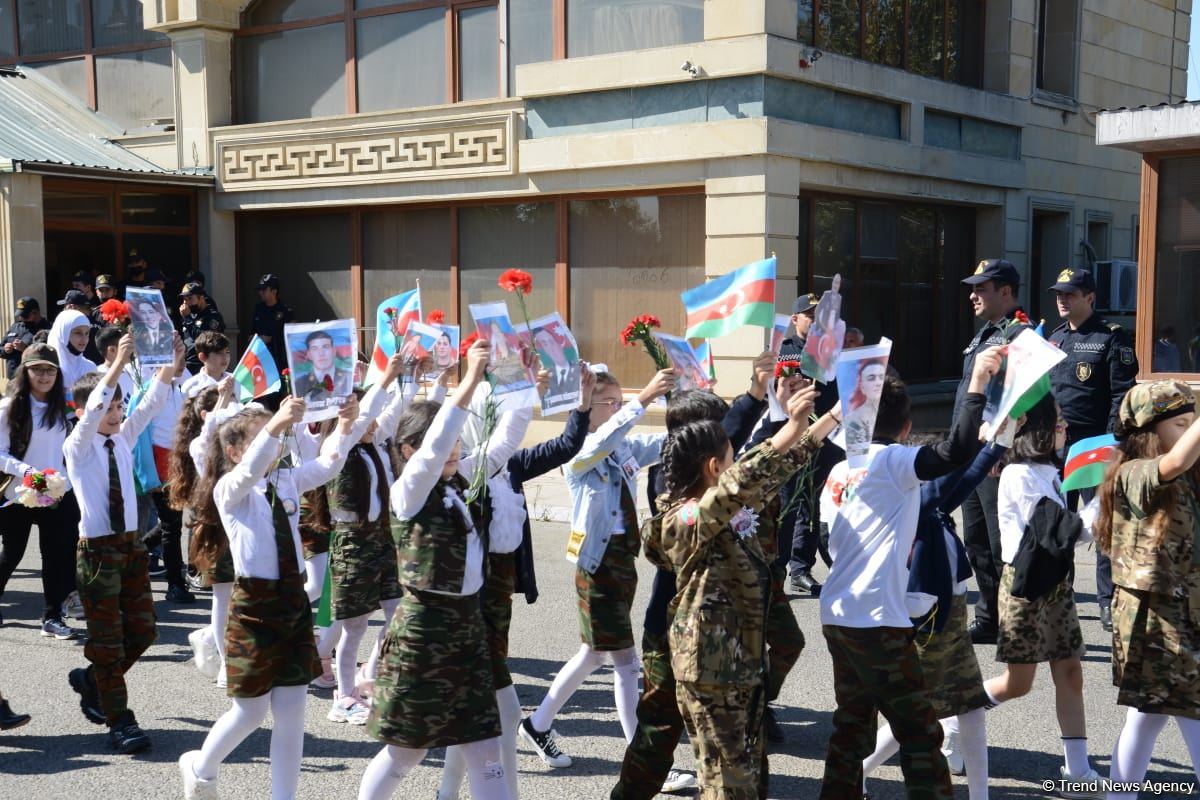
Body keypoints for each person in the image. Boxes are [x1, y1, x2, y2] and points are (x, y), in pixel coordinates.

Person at [817, 346, 1001, 799]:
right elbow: (955, 452)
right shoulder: (891, 463)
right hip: (878, 620)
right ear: (905, 427)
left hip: (838, 615)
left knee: (851, 725)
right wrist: (977, 380)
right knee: (920, 734)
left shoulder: (840, 469)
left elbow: (826, 541)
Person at [643, 381, 832, 799]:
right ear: (714, 466)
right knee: (728, 784)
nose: (737, 460)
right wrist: (790, 426)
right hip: (709, 670)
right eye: (731, 455)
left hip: (741, 664)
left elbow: (778, 469)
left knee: (746, 776)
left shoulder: (722, 506)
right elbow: (741, 482)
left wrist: (834, 418)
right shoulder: (683, 518)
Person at [178, 394, 360, 800]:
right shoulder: (231, 489)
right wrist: (277, 424)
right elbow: (249, 471)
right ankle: (200, 768)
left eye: (275, 437)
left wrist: (346, 426)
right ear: (233, 450)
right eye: (262, 438)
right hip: (254, 608)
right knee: (250, 711)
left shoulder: (286, 479)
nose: (274, 445)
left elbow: (329, 464)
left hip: (292, 602)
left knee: (292, 715)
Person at [357, 340, 516, 800]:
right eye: (442, 443)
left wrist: (523, 389)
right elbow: (434, 450)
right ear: (407, 448)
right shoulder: (409, 491)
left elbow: (503, 444)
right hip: (424, 633)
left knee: (486, 748)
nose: (453, 449)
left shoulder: (456, 479)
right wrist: (465, 383)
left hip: (466, 629)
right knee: (407, 752)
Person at [440, 367, 596, 800]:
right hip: (474, 602)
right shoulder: (460, 480)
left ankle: (450, 789)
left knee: (479, 706)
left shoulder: (511, 465)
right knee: (496, 708)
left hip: (498, 598)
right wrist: (525, 398)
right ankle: (491, 789)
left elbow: (565, 446)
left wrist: (581, 407)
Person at [519, 367, 676, 768]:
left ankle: (538, 723)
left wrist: (696, 420)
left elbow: (662, 444)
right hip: (598, 565)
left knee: (593, 654)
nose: (618, 409)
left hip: (622, 562)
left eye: (621, 402)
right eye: (612, 403)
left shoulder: (620, 446)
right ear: (589, 408)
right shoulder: (581, 451)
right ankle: (640, 755)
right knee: (625, 661)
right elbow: (605, 439)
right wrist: (643, 402)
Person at [859, 442, 1004, 798]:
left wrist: (996, 445)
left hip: (950, 617)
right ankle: (855, 772)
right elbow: (950, 480)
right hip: (928, 622)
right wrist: (986, 443)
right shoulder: (912, 504)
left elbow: (964, 480)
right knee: (915, 712)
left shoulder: (929, 504)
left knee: (969, 705)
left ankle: (980, 794)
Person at [64, 332, 178, 754]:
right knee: (109, 644)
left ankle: (93, 680)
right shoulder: (78, 446)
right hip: (97, 553)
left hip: (130, 549)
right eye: (108, 407)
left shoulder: (123, 438)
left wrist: (169, 366)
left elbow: (149, 404)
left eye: (117, 406)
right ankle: (119, 720)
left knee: (145, 631)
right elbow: (93, 407)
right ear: (82, 412)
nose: (114, 413)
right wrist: (114, 367)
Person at [983, 396, 1101, 793]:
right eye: (1060, 423)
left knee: (1070, 672)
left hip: (1055, 584)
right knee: (1018, 684)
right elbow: (1061, 530)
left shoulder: (1048, 469)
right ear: (1039, 429)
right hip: (1025, 589)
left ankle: (1077, 770)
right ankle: (953, 717)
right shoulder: (1018, 474)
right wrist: (1106, 497)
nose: (1065, 430)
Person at [1094, 381, 1200, 798]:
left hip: (1181, 612)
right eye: (1181, 422)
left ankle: (1120, 794)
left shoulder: (1190, 477)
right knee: (1190, 711)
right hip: (1154, 618)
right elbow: (1172, 462)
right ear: (1149, 431)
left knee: (1148, 716)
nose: (1190, 428)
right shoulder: (1132, 473)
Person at [317, 355, 410, 725]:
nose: (373, 423)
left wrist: (406, 379)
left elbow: (392, 411)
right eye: (362, 417)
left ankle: (369, 675)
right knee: (354, 625)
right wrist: (386, 377)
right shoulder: (335, 449)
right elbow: (360, 421)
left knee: (398, 614)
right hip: (353, 542)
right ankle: (344, 696)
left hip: (381, 539)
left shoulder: (374, 444)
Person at [1047, 267, 1138, 633]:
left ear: (1090, 297)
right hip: (1054, 446)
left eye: (1070, 293)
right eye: (1059, 293)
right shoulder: (1053, 338)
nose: (1062, 299)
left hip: (1093, 445)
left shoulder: (1111, 338)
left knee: (1101, 527)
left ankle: (1105, 601)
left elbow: (1122, 396)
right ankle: (1059, 591)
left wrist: (1113, 443)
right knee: (1056, 523)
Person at [957, 258, 1031, 644]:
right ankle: (989, 617)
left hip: (996, 456)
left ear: (1005, 292)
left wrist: (1003, 450)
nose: (973, 295)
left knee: (1002, 541)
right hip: (973, 454)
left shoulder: (1019, 335)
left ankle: (1014, 622)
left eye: (981, 288)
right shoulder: (987, 333)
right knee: (976, 540)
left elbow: (1018, 399)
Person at [0, 344, 83, 638]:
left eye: (50, 370)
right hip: (21, 491)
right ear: (26, 371)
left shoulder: (64, 405)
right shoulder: (10, 407)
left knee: (58, 555)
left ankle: (52, 616)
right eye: (37, 369)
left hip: (57, 490)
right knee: (12, 553)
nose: (44, 375)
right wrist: (27, 472)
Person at [777, 293, 838, 597]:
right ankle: (777, 568)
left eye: (819, 315)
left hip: (826, 439)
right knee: (788, 504)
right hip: (793, 439)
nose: (815, 320)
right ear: (795, 319)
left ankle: (801, 568)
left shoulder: (831, 350)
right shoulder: (783, 351)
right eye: (809, 315)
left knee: (813, 506)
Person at [48, 308, 100, 405]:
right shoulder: (48, 369)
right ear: (63, 333)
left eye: (87, 333)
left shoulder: (90, 367)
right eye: (78, 333)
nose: (84, 339)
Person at [842, 357, 888, 454]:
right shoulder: (851, 420)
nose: (878, 383)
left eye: (881, 377)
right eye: (871, 378)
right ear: (862, 386)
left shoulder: (893, 412)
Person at [292, 329, 353, 401]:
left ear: (333, 351)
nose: (321, 353)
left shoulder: (349, 377)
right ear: (309, 355)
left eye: (325, 347)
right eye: (315, 349)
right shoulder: (299, 384)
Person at [251, 274, 294, 376]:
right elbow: (251, 334)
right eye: (260, 290)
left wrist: (272, 338)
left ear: (274, 291)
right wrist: (259, 338)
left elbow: (291, 338)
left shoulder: (286, 311)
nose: (260, 292)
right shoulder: (258, 309)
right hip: (260, 358)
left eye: (264, 290)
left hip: (279, 358)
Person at [179, 282, 226, 374]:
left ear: (201, 298)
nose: (186, 303)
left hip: (202, 365)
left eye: (190, 298)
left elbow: (205, 339)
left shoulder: (213, 316)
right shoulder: (189, 316)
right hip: (186, 364)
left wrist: (188, 319)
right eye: (184, 299)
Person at [3, 296, 50, 378]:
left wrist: (25, 349)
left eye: (24, 316)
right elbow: (1, 347)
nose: (21, 318)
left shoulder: (47, 329)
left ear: (35, 312)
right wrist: (6, 350)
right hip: (13, 379)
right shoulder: (15, 326)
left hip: (33, 379)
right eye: (20, 315)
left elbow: (48, 354)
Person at [533, 325, 579, 401]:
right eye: (545, 344)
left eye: (551, 341)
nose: (551, 348)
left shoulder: (580, 371)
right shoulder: (544, 378)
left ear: (561, 343)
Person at [181, 331, 233, 398]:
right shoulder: (191, 386)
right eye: (219, 353)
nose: (225, 357)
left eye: (227, 352)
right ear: (203, 357)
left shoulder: (234, 381)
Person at [131, 296, 176, 362]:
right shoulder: (136, 336)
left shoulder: (169, 335)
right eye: (143, 313)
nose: (148, 316)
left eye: (151, 312)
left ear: (159, 314)